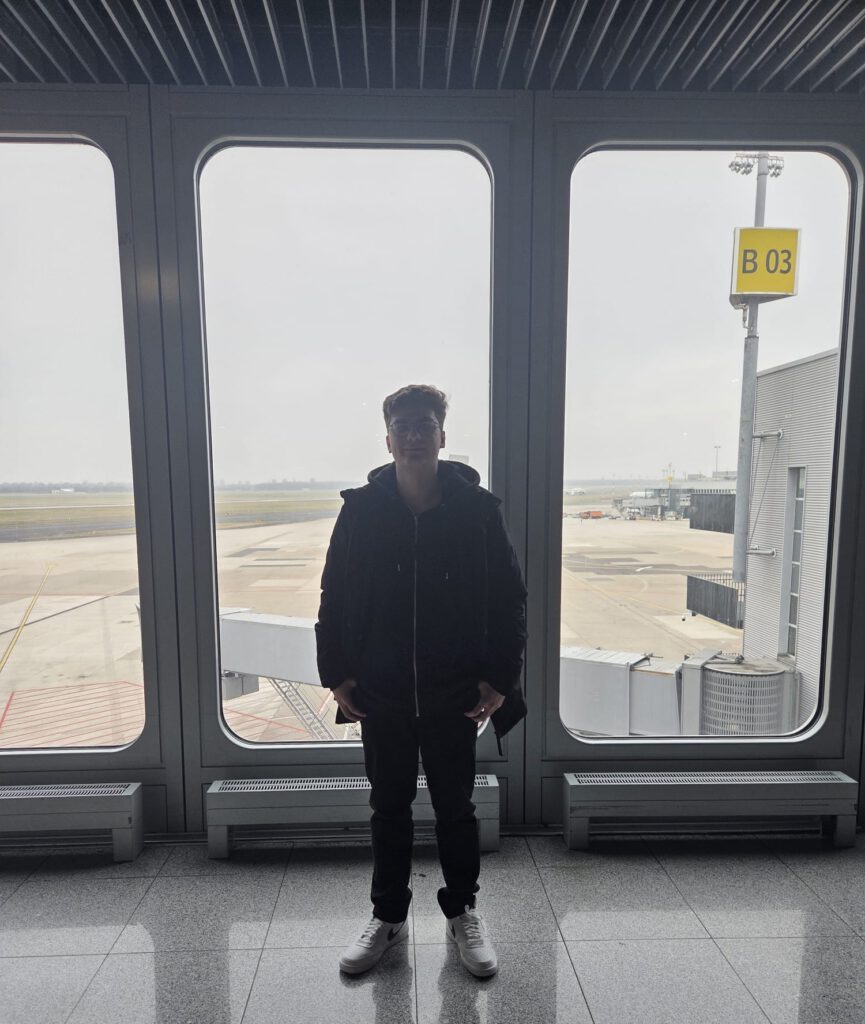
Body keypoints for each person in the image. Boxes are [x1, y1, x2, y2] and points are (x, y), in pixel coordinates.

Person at [315, 384, 527, 978]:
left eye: (425, 424)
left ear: (442, 436)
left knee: (456, 807)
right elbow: (334, 595)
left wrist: (499, 678)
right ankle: (388, 916)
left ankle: (462, 912)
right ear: (387, 439)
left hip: (454, 688)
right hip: (380, 688)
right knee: (388, 807)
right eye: (403, 426)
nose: (413, 435)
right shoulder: (360, 510)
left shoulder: (477, 510)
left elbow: (509, 599)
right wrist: (337, 673)